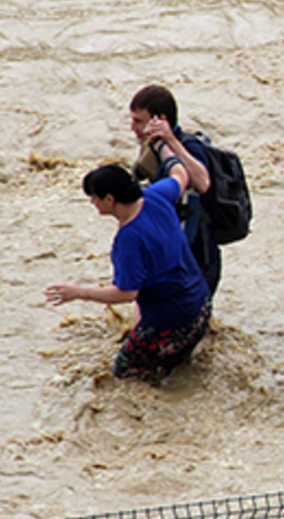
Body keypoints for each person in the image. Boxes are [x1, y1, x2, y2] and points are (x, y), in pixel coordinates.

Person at [46, 164, 212, 383]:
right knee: (175, 371)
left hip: (171, 325)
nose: (92, 203)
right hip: (201, 308)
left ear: (110, 200)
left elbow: (126, 293)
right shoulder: (156, 195)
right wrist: (167, 142)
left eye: (94, 197)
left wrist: (77, 292)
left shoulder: (128, 239)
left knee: (121, 382)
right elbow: (180, 173)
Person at [129, 85, 221, 297]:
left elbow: (202, 182)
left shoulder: (190, 146)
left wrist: (171, 141)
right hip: (169, 250)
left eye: (138, 121)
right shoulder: (151, 145)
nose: (133, 127)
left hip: (199, 254)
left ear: (161, 120)